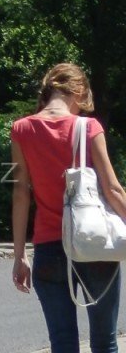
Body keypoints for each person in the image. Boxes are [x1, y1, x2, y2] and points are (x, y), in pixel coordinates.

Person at [11, 62, 126, 353]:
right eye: (82, 103)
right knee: (105, 342)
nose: (81, 111)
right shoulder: (89, 127)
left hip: (49, 249)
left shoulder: (22, 129)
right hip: (94, 245)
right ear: (76, 91)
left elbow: (21, 193)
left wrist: (20, 255)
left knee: (62, 344)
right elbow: (113, 190)